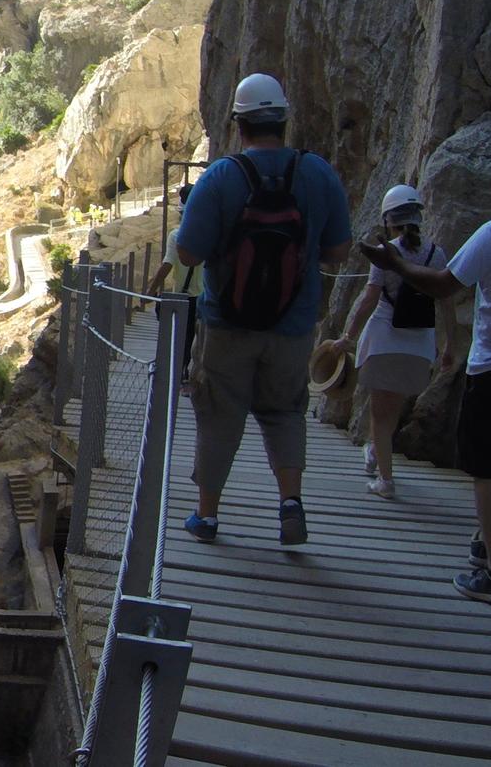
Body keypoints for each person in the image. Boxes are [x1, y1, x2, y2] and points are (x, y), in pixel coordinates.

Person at [173, 73, 352, 546]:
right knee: (286, 411)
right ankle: (290, 502)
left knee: (219, 413)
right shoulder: (318, 173)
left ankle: (206, 516)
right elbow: (338, 252)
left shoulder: (221, 177)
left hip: (226, 325)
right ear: (284, 121)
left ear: (238, 124)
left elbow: (189, 254)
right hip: (293, 325)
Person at [360, 217, 491, 604]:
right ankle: (486, 541)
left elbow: (443, 284)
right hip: (461, 359)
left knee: (488, 470)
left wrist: (396, 264)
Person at [322, 185, 452, 499]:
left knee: (380, 414)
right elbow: (445, 301)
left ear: (387, 219)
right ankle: (375, 453)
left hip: (384, 338)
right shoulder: (436, 254)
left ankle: (385, 480)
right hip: (418, 343)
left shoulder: (386, 251)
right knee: (391, 409)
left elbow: (370, 298)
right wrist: (450, 346)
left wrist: (347, 336)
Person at [146, 183, 203, 383]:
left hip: (184, 296)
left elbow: (167, 265)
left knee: (183, 339)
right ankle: (197, 376)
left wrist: (151, 291)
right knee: (203, 339)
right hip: (206, 297)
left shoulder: (177, 236)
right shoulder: (212, 234)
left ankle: (181, 373)